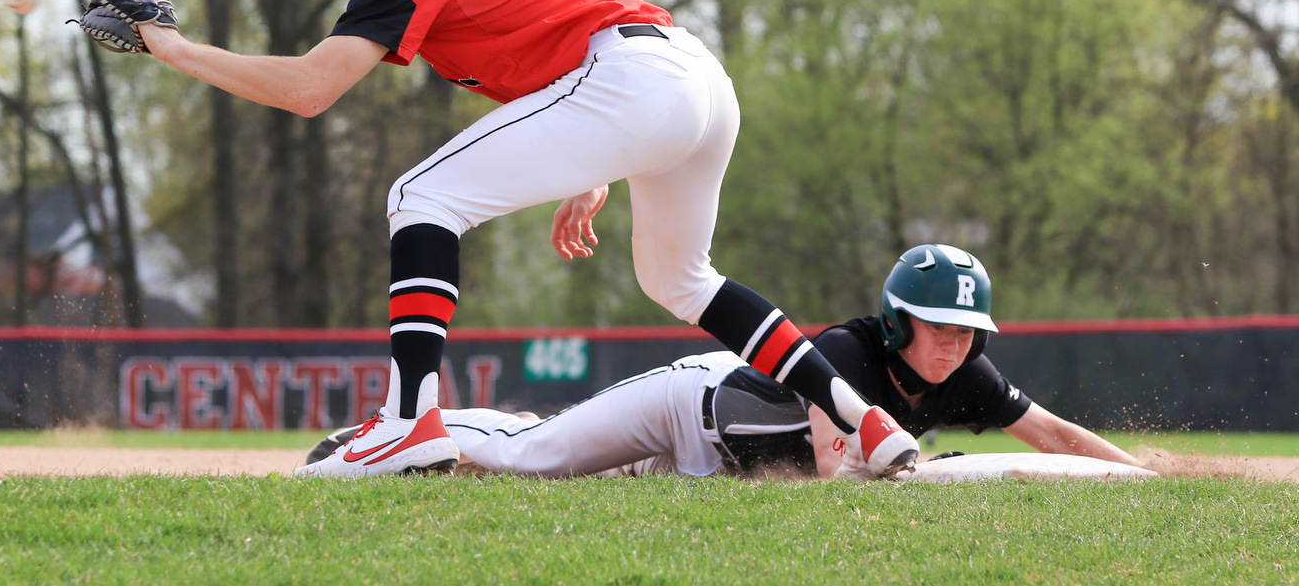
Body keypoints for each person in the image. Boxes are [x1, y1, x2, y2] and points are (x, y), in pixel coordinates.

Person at [135, 0, 918, 479]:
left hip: (635, 77)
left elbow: (311, 89)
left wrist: (169, 46)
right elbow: (557, 33)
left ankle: (410, 421)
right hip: (692, 75)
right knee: (680, 277)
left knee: (420, 197)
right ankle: (866, 420)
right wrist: (595, 161)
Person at [305, 244, 1142, 479]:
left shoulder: (967, 374)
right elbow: (828, 457)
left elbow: (1056, 436)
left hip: (717, 470)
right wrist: (919, 478)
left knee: (589, 486)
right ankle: (388, 434)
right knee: (530, 455)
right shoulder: (846, 353)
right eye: (938, 324)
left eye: (967, 327)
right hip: (689, 407)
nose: (956, 341)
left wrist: (1145, 477)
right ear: (897, 321)